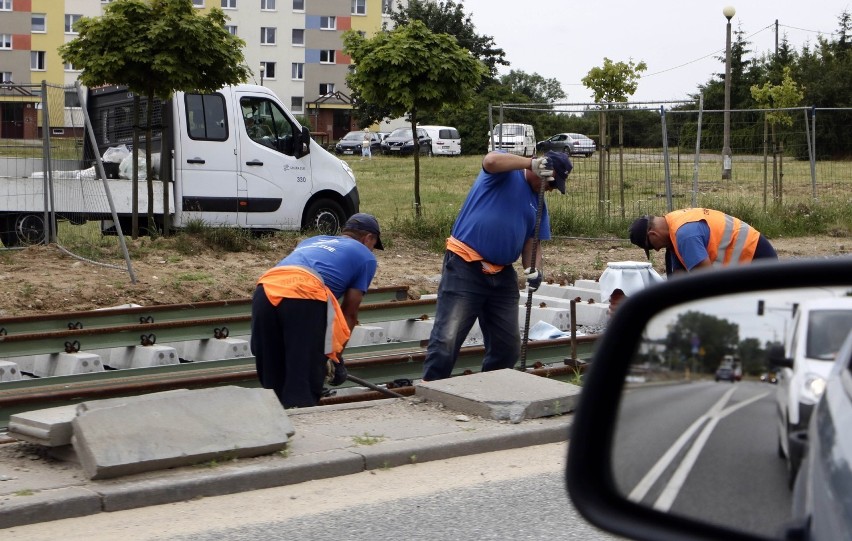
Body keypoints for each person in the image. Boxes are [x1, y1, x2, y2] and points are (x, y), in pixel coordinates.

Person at [421, 150, 572, 382]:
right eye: (551, 183)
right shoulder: (505, 174)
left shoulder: (538, 204)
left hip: (502, 276)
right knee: (447, 340)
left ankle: (489, 389)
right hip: (465, 266)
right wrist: (530, 163)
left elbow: (533, 243)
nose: (551, 190)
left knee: (508, 347)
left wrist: (536, 269)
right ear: (540, 169)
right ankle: (432, 389)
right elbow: (490, 160)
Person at [250, 213, 384, 408]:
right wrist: (335, 358)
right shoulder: (366, 257)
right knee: (303, 379)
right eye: (374, 245)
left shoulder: (312, 241)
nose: (372, 249)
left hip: (266, 289)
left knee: (273, 373)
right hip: (305, 294)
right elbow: (349, 313)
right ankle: (302, 426)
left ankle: (277, 428)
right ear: (369, 238)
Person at [628, 208, 778, 276]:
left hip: (755, 258)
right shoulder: (673, 227)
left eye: (652, 246)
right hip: (750, 255)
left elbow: (705, 280)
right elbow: (680, 279)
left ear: (653, 234)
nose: (657, 250)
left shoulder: (685, 236)